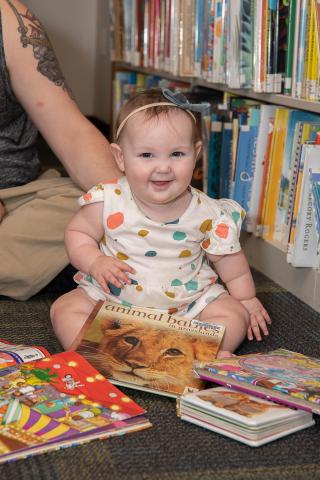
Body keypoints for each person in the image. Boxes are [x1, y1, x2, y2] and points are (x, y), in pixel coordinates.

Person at [50, 87, 271, 354]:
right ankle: (93, 354)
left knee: (232, 315)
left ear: (196, 153)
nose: (163, 167)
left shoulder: (209, 213)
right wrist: (94, 261)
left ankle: (203, 356)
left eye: (177, 154)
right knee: (65, 309)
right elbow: (78, 234)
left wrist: (246, 299)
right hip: (112, 302)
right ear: (120, 158)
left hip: (187, 308)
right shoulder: (109, 200)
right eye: (146, 155)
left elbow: (231, 264)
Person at [0, 0, 121, 300]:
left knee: (91, 205)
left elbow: (72, 133)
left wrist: (140, 212)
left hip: (17, 198)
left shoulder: (12, 21)